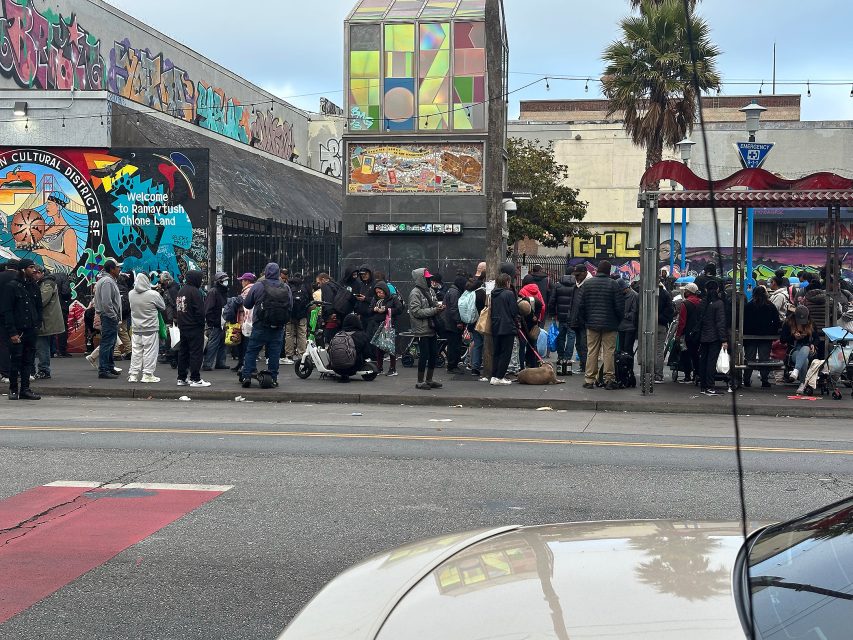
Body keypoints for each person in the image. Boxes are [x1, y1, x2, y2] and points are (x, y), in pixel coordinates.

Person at [240, 262, 292, 389]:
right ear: (278, 273)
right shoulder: (286, 287)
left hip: (260, 325)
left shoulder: (258, 286)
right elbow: (290, 306)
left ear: (266, 272)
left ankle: (247, 376)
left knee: (252, 350)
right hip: (278, 326)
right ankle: (273, 378)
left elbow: (247, 304)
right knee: (274, 353)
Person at [576, 260, 623, 390]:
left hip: (591, 324)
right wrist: (617, 321)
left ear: (597, 270)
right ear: (609, 271)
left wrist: (586, 320)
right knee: (609, 352)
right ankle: (609, 379)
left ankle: (589, 379)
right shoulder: (614, 285)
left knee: (592, 351)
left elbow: (580, 306)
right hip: (610, 324)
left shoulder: (588, 284)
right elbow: (619, 307)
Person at [0, 259, 42, 399]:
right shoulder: (12, 287)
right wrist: (12, 332)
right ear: (23, 270)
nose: (34, 270)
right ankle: (13, 389)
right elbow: (8, 311)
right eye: (31, 267)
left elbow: (39, 307)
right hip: (18, 331)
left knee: (28, 361)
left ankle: (25, 389)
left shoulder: (34, 286)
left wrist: (37, 324)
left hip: (31, 329)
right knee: (16, 360)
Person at [409, 268, 444, 390]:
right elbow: (416, 312)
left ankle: (429, 379)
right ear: (421, 279)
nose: (430, 280)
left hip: (431, 328)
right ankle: (420, 381)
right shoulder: (415, 293)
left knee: (433, 354)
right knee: (424, 355)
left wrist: (439, 307)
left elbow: (434, 303)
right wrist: (435, 310)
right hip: (422, 329)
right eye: (428, 278)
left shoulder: (430, 291)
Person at [127, 272, 165, 383]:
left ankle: (133, 375)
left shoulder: (131, 294)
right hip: (150, 328)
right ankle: (147, 374)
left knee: (136, 351)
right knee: (150, 352)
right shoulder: (153, 294)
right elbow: (162, 306)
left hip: (136, 327)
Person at [742, 285, 782, 388]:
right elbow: (777, 321)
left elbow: (743, 321)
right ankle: (765, 380)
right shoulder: (770, 305)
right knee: (764, 359)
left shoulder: (748, 306)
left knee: (749, 358)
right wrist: (772, 332)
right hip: (766, 336)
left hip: (750, 336)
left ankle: (746, 379)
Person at [175, 270, 210, 387]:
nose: (201, 281)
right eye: (200, 278)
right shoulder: (195, 292)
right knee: (196, 352)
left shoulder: (181, 291)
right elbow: (200, 311)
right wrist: (202, 324)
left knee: (183, 352)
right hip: (194, 326)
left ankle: (181, 378)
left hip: (183, 325)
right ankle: (195, 378)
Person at [92, 259, 123, 379]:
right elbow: (106, 302)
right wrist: (113, 316)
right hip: (109, 317)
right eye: (118, 267)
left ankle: (109, 367)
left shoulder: (106, 281)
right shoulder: (107, 282)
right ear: (111, 269)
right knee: (107, 343)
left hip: (108, 317)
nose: (119, 269)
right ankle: (104, 369)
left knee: (110, 343)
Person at [697, 280, 727, 396]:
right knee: (711, 362)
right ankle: (710, 385)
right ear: (718, 289)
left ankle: (703, 385)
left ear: (705, 290)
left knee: (703, 361)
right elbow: (720, 322)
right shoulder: (719, 303)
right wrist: (724, 339)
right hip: (714, 337)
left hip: (703, 336)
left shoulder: (703, 302)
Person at [365, 281, 402, 376]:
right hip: (377, 325)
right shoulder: (375, 299)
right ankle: (379, 367)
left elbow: (399, 309)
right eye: (377, 292)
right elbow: (368, 310)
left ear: (385, 291)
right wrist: (374, 309)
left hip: (389, 324)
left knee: (390, 346)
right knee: (378, 346)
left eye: (380, 292)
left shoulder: (393, 298)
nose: (379, 294)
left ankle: (393, 368)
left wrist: (386, 309)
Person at [489, 273, 520, 385]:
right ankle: (500, 376)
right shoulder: (509, 294)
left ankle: (494, 376)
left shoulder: (493, 294)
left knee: (497, 352)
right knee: (506, 353)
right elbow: (514, 311)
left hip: (496, 325)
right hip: (507, 326)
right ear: (507, 282)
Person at [35, 266, 64, 380]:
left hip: (46, 319)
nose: (35, 275)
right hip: (47, 319)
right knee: (43, 344)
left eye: (37, 272)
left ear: (42, 273)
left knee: (42, 345)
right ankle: (43, 369)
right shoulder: (46, 282)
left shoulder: (47, 283)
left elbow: (42, 300)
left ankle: (44, 370)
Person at [781, 305, 817, 394]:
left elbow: (817, 338)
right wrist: (793, 337)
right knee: (804, 361)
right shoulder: (788, 323)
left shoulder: (811, 323)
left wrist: (813, 344)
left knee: (805, 348)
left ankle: (796, 371)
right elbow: (782, 339)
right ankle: (802, 384)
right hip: (794, 350)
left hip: (808, 349)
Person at [330, 314, 374, 382]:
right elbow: (367, 354)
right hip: (354, 367)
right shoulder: (362, 335)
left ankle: (343, 374)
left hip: (336, 368)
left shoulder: (338, 334)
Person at [202, 271, 230, 372]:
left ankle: (220, 363)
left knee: (223, 343)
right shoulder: (213, 292)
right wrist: (211, 322)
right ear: (219, 281)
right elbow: (208, 309)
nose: (226, 282)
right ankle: (207, 363)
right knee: (213, 343)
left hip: (223, 321)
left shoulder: (223, 291)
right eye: (224, 280)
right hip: (216, 322)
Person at [549, 273, 577, 372]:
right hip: (572, 316)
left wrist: (552, 313)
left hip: (560, 316)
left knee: (561, 336)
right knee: (571, 336)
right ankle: (567, 357)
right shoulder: (575, 286)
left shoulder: (558, 285)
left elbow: (552, 300)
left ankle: (560, 356)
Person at [675, 283, 702, 384]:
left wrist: (678, 335)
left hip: (688, 333)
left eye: (685, 291)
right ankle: (697, 374)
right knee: (697, 355)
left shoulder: (685, 304)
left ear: (689, 292)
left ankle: (687, 375)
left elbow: (682, 322)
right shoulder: (701, 302)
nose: (684, 292)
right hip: (699, 333)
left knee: (686, 353)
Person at [439, 275, 467, 374]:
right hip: (452, 323)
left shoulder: (452, 291)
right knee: (454, 345)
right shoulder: (455, 293)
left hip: (448, 322)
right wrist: (459, 322)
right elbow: (454, 309)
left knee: (453, 344)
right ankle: (452, 365)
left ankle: (453, 364)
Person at [231, 273, 256, 373]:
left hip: (246, 321)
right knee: (241, 344)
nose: (241, 282)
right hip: (246, 321)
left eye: (243, 280)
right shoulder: (249, 290)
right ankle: (241, 363)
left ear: (247, 281)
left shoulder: (248, 291)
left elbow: (244, 305)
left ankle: (244, 365)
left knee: (245, 345)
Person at [0, 259, 20, 384]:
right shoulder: (21, 278)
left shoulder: (0, 277)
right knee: (19, 344)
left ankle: (5, 372)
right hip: (19, 315)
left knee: (3, 344)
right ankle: (20, 371)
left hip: (1, 314)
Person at [284, 272, 310, 364]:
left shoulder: (288, 286)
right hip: (302, 315)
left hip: (290, 315)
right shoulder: (305, 286)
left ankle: (289, 355)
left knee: (289, 334)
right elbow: (310, 300)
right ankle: (302, 354)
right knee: (302, 334)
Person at [518, 282, 545, 369]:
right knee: (522, 344)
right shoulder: (520, 304)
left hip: (532, 325)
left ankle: (533, 364)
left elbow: (541, 307)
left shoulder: (537, 302)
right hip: (523, 325)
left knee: (532, 344)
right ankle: (522, 366)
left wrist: (536, 317)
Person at [569, 264, 589, 373]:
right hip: (576, 320)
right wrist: (571, 318)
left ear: (585, 273)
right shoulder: (576, 286)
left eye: (578, 275)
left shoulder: (587, 285)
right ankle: (583, 365)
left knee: (583, 344)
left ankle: (585, 365)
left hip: (584, 321)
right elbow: (573, 304)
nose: (576, 277)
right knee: (579, 344)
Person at [655, 280, 674, 383]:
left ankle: (647, 373)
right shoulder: (666, 294)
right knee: (659, 351)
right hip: (661, 325)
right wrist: (662, 318)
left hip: (647, 325)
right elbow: (670, 309)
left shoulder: (646, 292)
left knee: (648, 349)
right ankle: (658, 375)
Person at [52, 269, 72, 357]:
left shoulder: (49, 278)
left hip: (50, 307)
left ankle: (51, 350)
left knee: (50, 328)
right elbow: (66, 292)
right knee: (62, 328)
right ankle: (62, 350)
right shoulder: (64, 277)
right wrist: (69, 297)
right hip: (61, 306)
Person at [617, 278, 638, 355]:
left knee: (627, 348)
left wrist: (624, 315)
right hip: (621, 326)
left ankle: (628, 365)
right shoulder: (621, 295)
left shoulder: (634, 295)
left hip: (630, 327)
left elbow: (634, 312)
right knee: (621, 348)